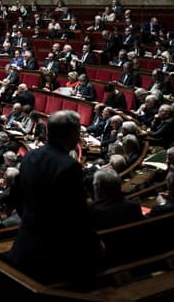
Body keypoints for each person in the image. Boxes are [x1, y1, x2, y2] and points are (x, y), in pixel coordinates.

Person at [8, 110, 103, 284]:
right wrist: (94, 243)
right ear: (72, 132)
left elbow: (16, 197)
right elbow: (76, 213)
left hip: (25, 244)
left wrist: (31, 219)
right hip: (52, 254)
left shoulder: (30, 156)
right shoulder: (68, 166)